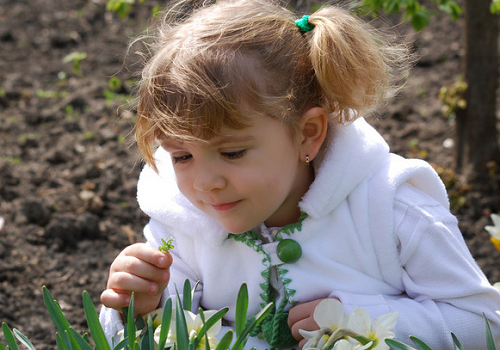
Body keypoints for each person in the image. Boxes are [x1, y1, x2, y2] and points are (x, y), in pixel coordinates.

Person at [99, 0, 500, 348]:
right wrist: (136, 306)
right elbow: (160, 330)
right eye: (182, 156)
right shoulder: (183, 219)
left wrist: (365, 322)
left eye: (233, 152)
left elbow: (484, 322)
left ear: (308, 134)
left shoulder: (392, 208)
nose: (205, 182)